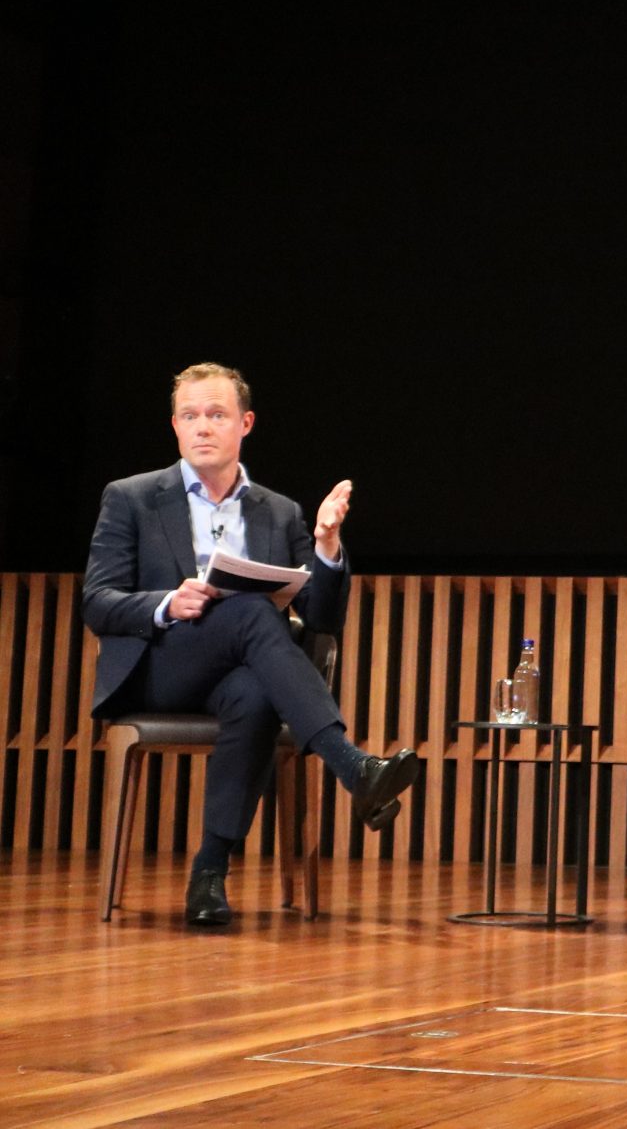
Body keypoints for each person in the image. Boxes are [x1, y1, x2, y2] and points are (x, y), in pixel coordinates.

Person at [82, 362, 423, 927]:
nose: (202, 427)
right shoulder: (132, 498)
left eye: (217, 415)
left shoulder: (279, 511)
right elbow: (97, 601)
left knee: (257, 693)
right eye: (190, 416)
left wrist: (327, 545)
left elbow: (322, 618)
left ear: (245, 424)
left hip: (237, 672)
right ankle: (352, 765)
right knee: (250, 610)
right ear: (175, 426)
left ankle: (209, 872)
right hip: (161, 667)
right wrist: (167, 602)